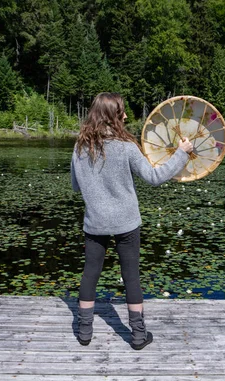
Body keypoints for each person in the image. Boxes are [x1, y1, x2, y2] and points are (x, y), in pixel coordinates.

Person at [70, 92, 193, 350]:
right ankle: (138, 336)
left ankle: (84, 333)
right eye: (122, 112)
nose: (126, 116)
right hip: (126, 222)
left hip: (95, 221)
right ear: (112, 115)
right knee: (131, 277)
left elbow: (75, 187)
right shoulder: (127, 147)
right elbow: (154, 177)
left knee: (90, 273)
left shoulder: (80, 147)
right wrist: (181, 153)